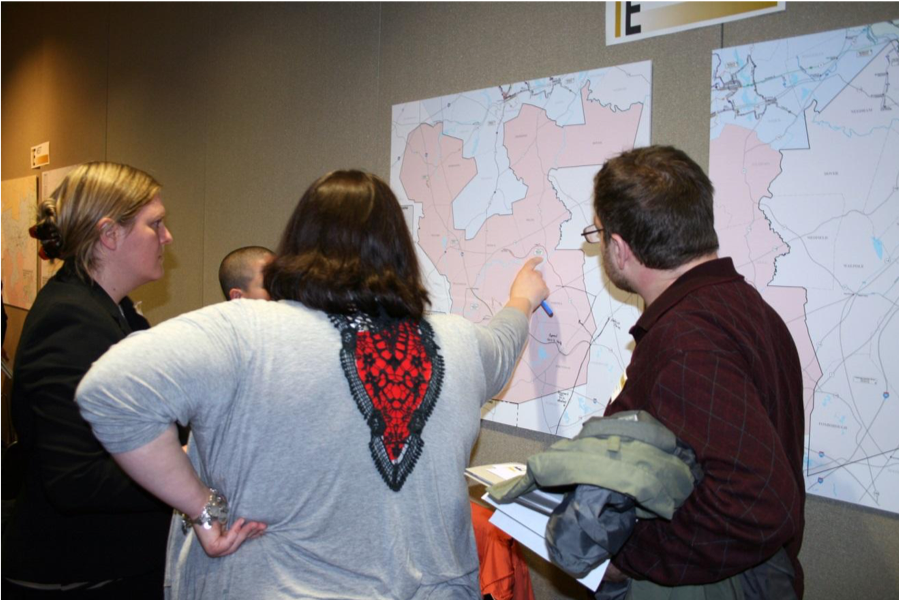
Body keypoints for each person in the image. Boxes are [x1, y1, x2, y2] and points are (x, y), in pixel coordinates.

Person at [76, 170, 549, 599]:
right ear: (401, 252)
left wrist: (202, 508)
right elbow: (503, 347)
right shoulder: (460, 342)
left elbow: (111, 392)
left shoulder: (245, 332)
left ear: (297, 246)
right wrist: (521, 300)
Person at [586, 146, 805, 597]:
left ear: (620, 249)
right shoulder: (749, 309)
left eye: (600, 234)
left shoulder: (686, 338)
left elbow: (759, 500)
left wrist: (629, 558)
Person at [1, 163, 175, 599]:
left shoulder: (115, 311)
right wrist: (186, 471)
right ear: (109, 235)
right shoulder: (70, 319)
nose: (168, 237)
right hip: (78, 572)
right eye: (155, 224)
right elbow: (75, 479)